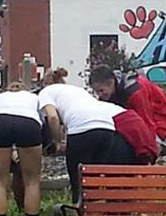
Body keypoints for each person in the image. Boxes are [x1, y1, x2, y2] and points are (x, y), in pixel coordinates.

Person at [38, 68, 142, 203]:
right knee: (95, 178)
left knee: (78, 180)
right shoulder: (78, 91)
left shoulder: (46, 92)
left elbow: (52, 118)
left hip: (82, 128)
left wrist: (57, 142)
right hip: (107, 127)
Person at [0, 81, 44, 216]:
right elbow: (42, 121)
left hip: (1, 121)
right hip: (29, 122)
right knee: (32, 181)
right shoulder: (34, 98)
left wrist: (11, 152)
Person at [88, 66, 166, 147]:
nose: (99, 95)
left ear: (111, 83)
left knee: (153, 141)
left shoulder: (135, 93)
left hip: (161, 112)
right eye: (96, 91)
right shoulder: (112, 90)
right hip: (139, 109)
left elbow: (147, 122)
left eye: (101, 91)